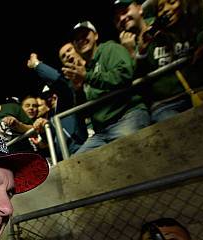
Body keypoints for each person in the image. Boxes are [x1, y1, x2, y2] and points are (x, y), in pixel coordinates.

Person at [64, 21, 150, 155]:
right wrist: (78, 90)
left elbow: (125, 75)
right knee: (78, 162)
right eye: (76, 39)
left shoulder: (110, 49)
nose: (81, 40)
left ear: (96, 35)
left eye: (85, 35)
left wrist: (88, 77)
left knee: (130, 155)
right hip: (102, 132)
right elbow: (84, 113)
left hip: (127, 117)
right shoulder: (82, 70)